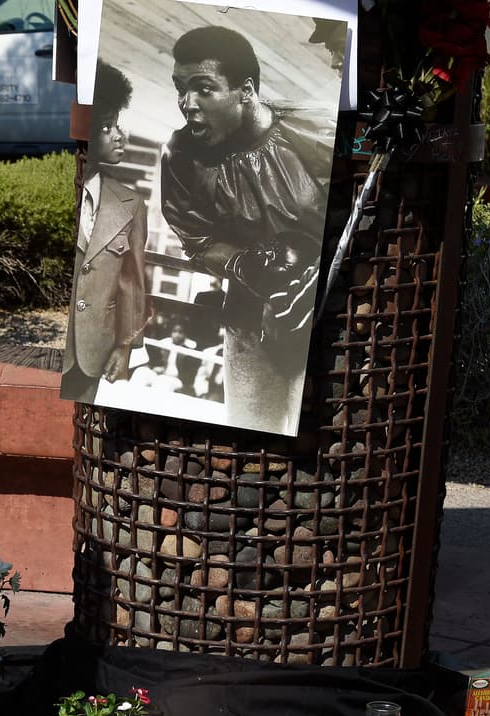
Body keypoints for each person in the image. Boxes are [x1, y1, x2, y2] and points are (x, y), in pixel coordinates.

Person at [160, 25, 334, 434]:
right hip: (249, 325)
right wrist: (245, 264)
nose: (187, 104)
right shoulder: (182, 155)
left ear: (246, 90)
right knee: (253, 448)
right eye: (181, 88)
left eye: (204, 88)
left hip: (328, 308)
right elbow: (197, 241)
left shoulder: (317, 133)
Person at [61, 61, 154, 405]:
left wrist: (126, 345)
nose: (119, 135)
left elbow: (133, 282)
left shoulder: (131, 204)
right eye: (105, 127)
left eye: (117, 124)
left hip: (94, 354)